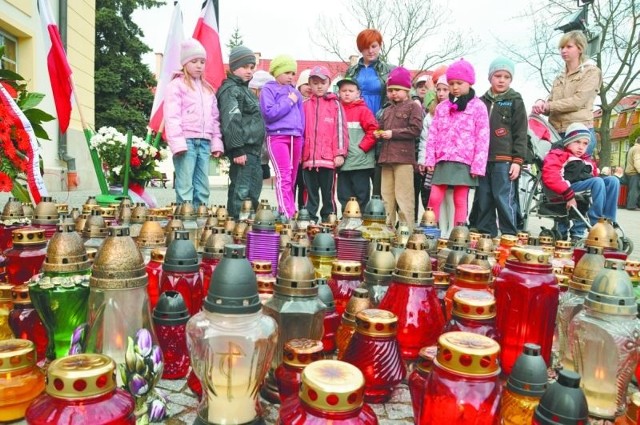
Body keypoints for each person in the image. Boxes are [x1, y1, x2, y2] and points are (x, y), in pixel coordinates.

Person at [424, 59, 490, 226]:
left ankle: (458, 236)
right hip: (443, 159)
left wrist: (478, 165)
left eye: (459, 83)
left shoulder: (478, 107)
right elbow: (433, 134)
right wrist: (430, 158)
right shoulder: (442, 107)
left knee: (460, 199)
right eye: (451, 83)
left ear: (469, 82)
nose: (454, 87)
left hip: (464, 161)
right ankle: (430, 232)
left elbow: (483, 137)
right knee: (434, 197)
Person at [472, 57, 528, 238]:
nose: (502, 80)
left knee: (503, 197)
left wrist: (517, 161)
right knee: (484, 197)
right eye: (497, 75)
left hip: (504, 160)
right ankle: (486, 234)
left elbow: (521, 133)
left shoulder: (515, 101)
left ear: (511, 80)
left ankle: (509, 233)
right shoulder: (480, 102)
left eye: (506, 77)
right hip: (482, 159)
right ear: (490, 78)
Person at [164, 38, 224, 208]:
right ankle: (184, 220)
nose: (199, 65)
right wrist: (177, 143)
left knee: (202, 185)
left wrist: (216, 142)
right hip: (186, 142)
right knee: (185, 184)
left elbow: (214, 118)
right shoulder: (176, 86)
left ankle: (202, 219)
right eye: (194, 61)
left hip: (204, 142)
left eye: (202, 62)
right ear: (185, 63)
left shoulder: (208, 89)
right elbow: (172, 116)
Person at [542, 123, 619, 240]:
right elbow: (551, 176)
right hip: (568, 187)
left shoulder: (587, 160)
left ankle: (608, 220)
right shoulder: (558, 155)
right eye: (577, 142)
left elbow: (594, 177)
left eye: (585, 144)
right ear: (567, 142)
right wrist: (567, 193)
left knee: (613, 180)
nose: (581, 147)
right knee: (597, 181)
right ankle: (596, 221)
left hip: (585, 185)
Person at [532, 30, 602, 156]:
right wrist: (541, 104)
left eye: (569, 47)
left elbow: (577, 101)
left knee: (577, 172)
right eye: (562, 47)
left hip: (579, 133)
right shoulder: (560, 76)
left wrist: (549, 106)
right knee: (553, 173)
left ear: (580, 48)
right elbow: (551, 102)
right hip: (556, 133)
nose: (564, 50)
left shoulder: (591, 72)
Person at [345, 28, 396, 196]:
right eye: (366, 47)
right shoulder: (352, 71)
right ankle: (354, 211)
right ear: (360, 48)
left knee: (378, 171)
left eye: (374, 46)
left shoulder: (389, 70)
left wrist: (384, 115)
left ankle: (379, 212)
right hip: (355, 125)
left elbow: (396, 96)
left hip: (379, 120)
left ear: (380, 46)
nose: (371, 50)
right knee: (356, 171)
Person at [217, 45, 265, 219]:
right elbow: (231, 120)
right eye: (245, 67)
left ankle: (247, 226)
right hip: (242, 151)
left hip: (253, 152)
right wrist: (237, 148)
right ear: (233, 67)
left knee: (253, 192)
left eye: (252, 67)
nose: (249, 71)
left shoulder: (246, 90)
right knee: (241, 192)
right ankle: (236, 225)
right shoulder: (231, 90)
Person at [377, 67, 424, 230]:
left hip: (404, 160)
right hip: (386, 158)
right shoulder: (387, 110)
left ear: (407, 90)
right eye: (390, 90)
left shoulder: (413, 106)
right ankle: (387, 229)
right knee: (386, 197)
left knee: (404, 198)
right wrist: (378, 133)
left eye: (397, 90)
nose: (393, 93)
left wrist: (392, 133)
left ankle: (406, 231)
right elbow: (381, 127)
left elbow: (415, 130)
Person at [301, 66, 349, 223]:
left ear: (328, 83)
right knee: (310, 192)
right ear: (310, 84)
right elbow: (300, 130)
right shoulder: (304, 105)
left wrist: (340, 153)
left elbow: (341, 130)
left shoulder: (335, 105)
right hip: (308, 159)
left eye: (323, 82)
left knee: (328, 193)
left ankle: (329, 218)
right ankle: (309, 219)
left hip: (328, 159)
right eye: (315, 83)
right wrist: (299, 154)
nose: (319, 86)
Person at [259, 55, 304, 219]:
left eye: (293, 73)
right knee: (283, 175)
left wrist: (302, 138)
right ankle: (287, 213)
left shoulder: (296, 93)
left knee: (291, 177)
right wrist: (288, 102)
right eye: (287, 72)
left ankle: (286, 210)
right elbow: (269, 113)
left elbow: (301, 119)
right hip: (277, 137)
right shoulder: (268, 90)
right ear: (277, 72)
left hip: (296, 137)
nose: (291, 77)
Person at [418, 73, 454, 235]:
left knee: (451, 198)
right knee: (435, 198)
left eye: (445, 90)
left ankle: (450, 229)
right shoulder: (430, 114)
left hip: (450, 161)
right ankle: (437, 228)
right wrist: (424, 159)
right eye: (438, 89)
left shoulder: (457, 111)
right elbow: (425, 139)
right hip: (434, 162)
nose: (441, 93)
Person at [336, 77, 378, 214]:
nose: (347, 93)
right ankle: (346, 218)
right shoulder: (337, 110)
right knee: (343, 194)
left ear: (358, 93)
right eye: (343, 91)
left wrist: (362, 148)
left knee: (361, 193)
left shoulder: (363, 111)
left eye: (350, 90)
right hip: (344, 162)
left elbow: (373, 130)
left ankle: (361, 220)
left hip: (361, 162)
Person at [249, 70, 276, 182]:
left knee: (258, 181)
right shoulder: (248, 107)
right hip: (251, 154)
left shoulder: (271, 108)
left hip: (264, 156)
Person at [293, 69, 312, 209]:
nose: (309, 87)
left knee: (305, 184)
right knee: (292, 182)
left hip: (309, 153)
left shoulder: (316, 104)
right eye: (306, 84)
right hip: (294, 150)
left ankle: (303, 211)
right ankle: (289, 210)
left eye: (312, 84)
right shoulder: (293, 103)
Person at [625, 136, 640, 210]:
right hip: (634, 172)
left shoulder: (632, 148)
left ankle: (632, 205)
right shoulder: (638, 149)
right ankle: (632, 206)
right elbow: (637, 162)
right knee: (635, 190)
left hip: (629, 172)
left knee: (632, 189)